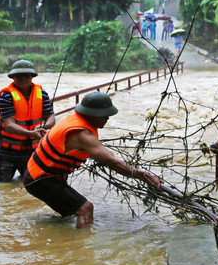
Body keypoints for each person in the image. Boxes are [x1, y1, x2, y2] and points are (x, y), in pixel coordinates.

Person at [22, 91, 163, 228]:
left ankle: (59, 239)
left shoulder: (75, 119)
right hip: (40, 180)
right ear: (91, 114)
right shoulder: (83, 135)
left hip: (38, 174)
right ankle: (82, 242)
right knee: (85, 209)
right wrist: (146, 176)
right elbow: (113, 163)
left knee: (69, 213)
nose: (107, 118)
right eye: (104, 115)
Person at [0, 59, 56, 182]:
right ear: (13, 77)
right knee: (2, 185)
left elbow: (51, 117)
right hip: (7, 151)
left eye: (26, 75)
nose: (22, 78)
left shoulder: (42, 93)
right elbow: (9, 124)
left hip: (32, 150)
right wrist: (31, 133)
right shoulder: (6, 96)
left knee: (32, 184)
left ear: (32, 76)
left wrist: (44, 128)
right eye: (18, 76)